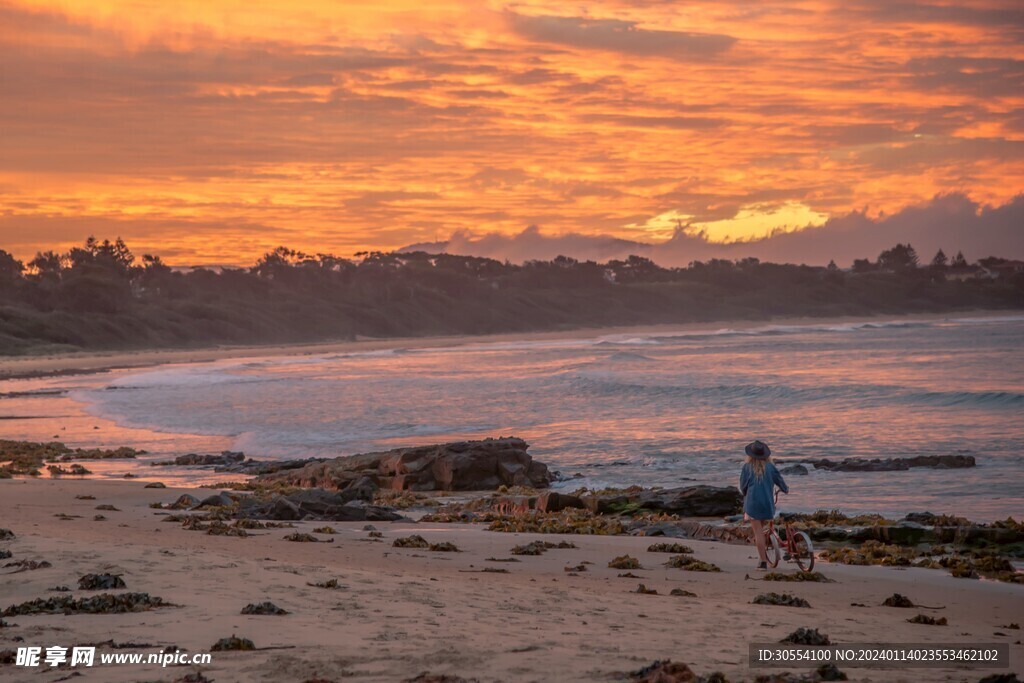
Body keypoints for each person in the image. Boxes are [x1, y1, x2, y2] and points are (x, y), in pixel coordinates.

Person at [739, 440, 788, 570]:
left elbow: (743, 486)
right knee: (762, 528)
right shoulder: (771, 467)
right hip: (767, 504)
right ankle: (767, 554)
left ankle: (762, 562)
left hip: (753, 504)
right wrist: (785, 489)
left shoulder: (747, 467)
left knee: (758, 533)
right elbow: (780, 482)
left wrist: (745, 493)